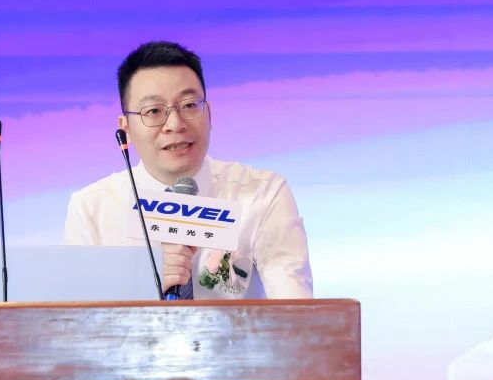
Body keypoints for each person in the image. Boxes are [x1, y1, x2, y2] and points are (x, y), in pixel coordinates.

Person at [64, 41, 312, 299]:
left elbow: (296, 309)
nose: (175, 124)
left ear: (209, 114)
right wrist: (142, 283)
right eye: (154, 111)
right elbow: (77, 318)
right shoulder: (91, 209)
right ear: (125, 127)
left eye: (190, 105)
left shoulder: (264, 194)